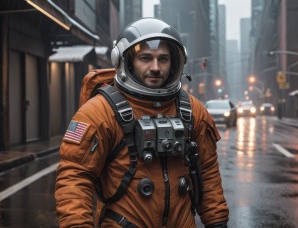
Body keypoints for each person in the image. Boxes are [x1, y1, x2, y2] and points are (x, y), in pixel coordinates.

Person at [55, 18, 229, 228]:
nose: (155, 67)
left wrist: (217, 222)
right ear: (125, 60)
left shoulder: (192, 111)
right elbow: (75, 176)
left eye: (163, 59)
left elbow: (207, 171)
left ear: (174, 62)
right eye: (145, 58)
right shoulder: (101, 112)